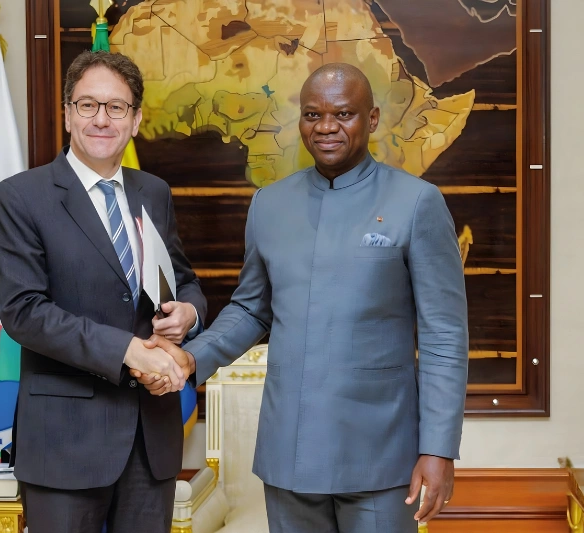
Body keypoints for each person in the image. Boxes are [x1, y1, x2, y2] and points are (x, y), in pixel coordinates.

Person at [136, 63, 469, 532]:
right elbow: (252, 308)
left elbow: (444, 337)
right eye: (313, 115)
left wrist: (438, 448)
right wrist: (190, 360)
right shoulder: (269, 204)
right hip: (288, 453)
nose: (327, 127)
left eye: (344, 114)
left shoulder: (417, 203)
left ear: (371, 120)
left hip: (380, 456)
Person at [0, 50, 206, 533]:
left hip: (151, 439)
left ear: (136, 119)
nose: (102, 119)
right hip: (66, 443)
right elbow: (24, 312)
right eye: (88, 105)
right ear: (67, 113)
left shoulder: (153, 191)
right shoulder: (22, 196)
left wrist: (188, 312)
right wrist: (128, 350)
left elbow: (183, 279)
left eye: (117, 107)